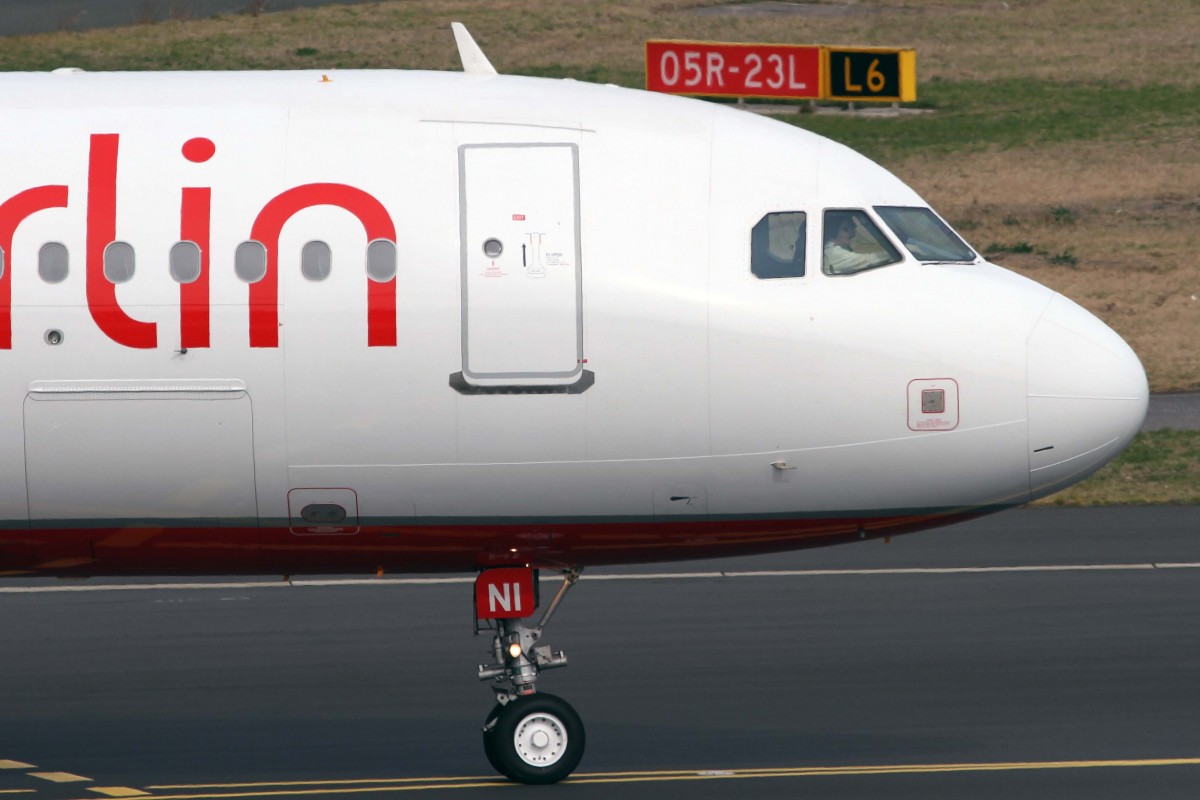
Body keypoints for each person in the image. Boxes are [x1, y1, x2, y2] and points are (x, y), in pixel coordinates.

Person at [823, 212, 893, 275]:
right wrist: (894, 253)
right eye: (846, 229)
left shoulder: (838, 248)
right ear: (833, 231)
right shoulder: (833, 252)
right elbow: (868, 260)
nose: (853, 232)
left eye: (853, 228)